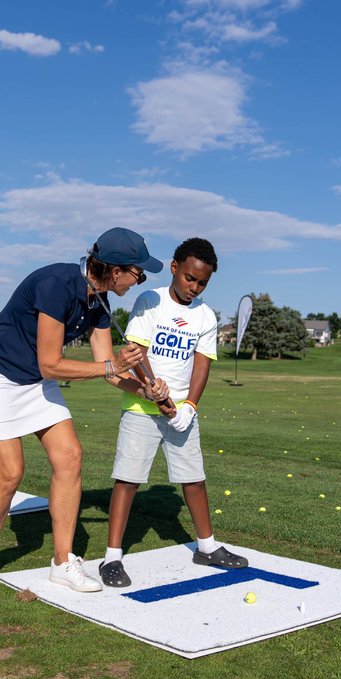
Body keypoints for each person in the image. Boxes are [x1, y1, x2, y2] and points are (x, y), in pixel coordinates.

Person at [0, 227, 170, 599]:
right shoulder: (57, 284)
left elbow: (108, 369)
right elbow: (51, 364)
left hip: (35, 379)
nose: (141, 280)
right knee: (10, 473)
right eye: (139, 273)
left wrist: (145, 391)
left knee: (71, 457)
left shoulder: (101, 302)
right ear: (115, 268)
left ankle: (62, 562)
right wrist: (113, 366)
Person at [99, 238, 247, 587]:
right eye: (190, 278)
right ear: (174, 267)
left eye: (202, 283)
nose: (194, 287)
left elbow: (202, 365)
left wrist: (189, 407)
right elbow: (136, 350)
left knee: (194, 478)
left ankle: (207, 547)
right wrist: (151, 388)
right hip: (141, 408)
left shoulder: (206, 316)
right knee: (128, 479)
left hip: (180, 413)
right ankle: (112, 558)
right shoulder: (150, 300)